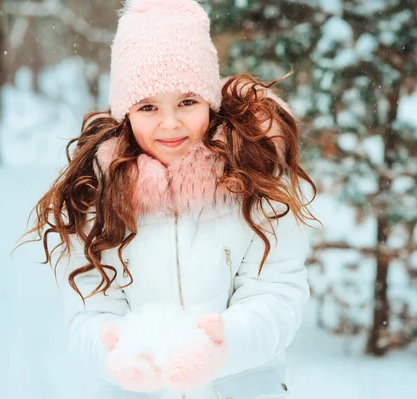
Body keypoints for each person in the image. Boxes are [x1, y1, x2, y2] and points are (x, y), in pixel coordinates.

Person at [23, 0, 319, 398]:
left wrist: (222, 346)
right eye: (148, 106)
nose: (170, 123)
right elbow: (92, 309)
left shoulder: (254, 182)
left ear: (210, 102)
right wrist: (116, 354)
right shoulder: (100, 196)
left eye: (187, 101)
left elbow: (276, 295)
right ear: (125, 113)